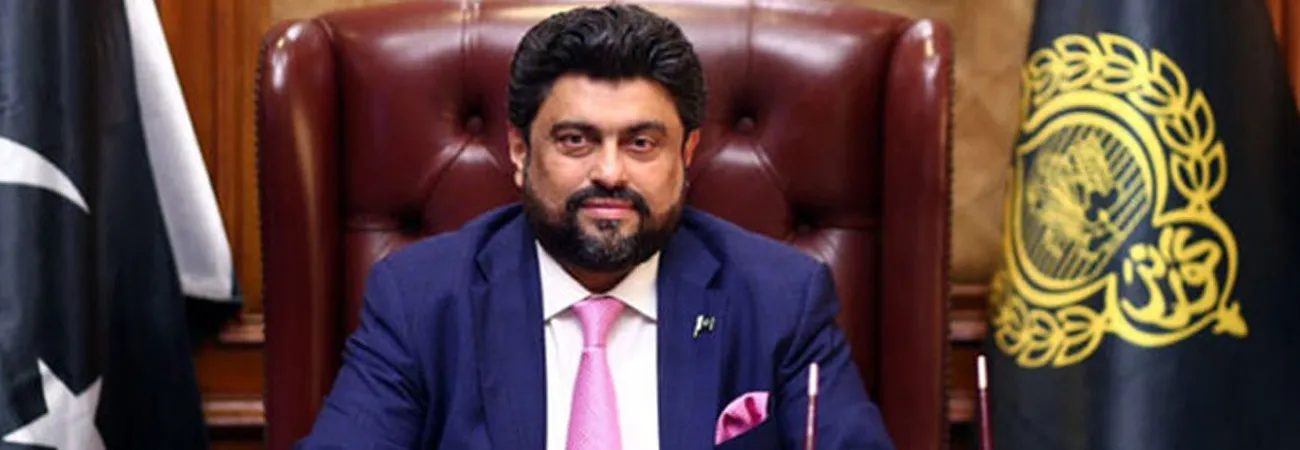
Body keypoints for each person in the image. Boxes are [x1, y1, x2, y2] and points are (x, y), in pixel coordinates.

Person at [295, 4, 894, 449]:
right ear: (519, 151)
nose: (609, 172)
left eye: (641, 143)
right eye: (576, 140)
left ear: (686, 155)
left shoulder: (781, 299)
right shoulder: (421, 299)